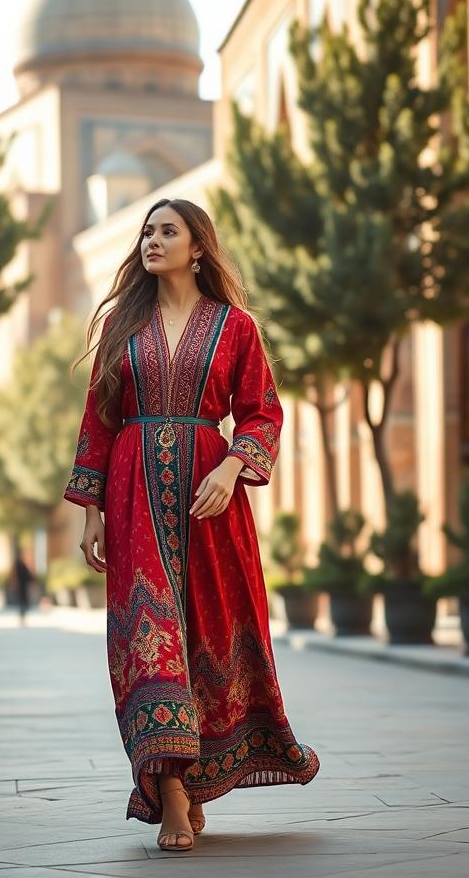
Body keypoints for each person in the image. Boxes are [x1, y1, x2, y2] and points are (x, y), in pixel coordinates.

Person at [63, 198, 319, 852]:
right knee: (151, 635)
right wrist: (90, 508)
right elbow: (99, 420)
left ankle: (195, 779)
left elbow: (262, 413)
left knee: (209, 632)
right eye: (147, 231)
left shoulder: (235, 328)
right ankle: (170, 791)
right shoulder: (124, 324)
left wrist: (233, 468)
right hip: (132, 497)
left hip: (210, 500)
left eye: (167, 231)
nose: (153, 240)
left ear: (197, 247)